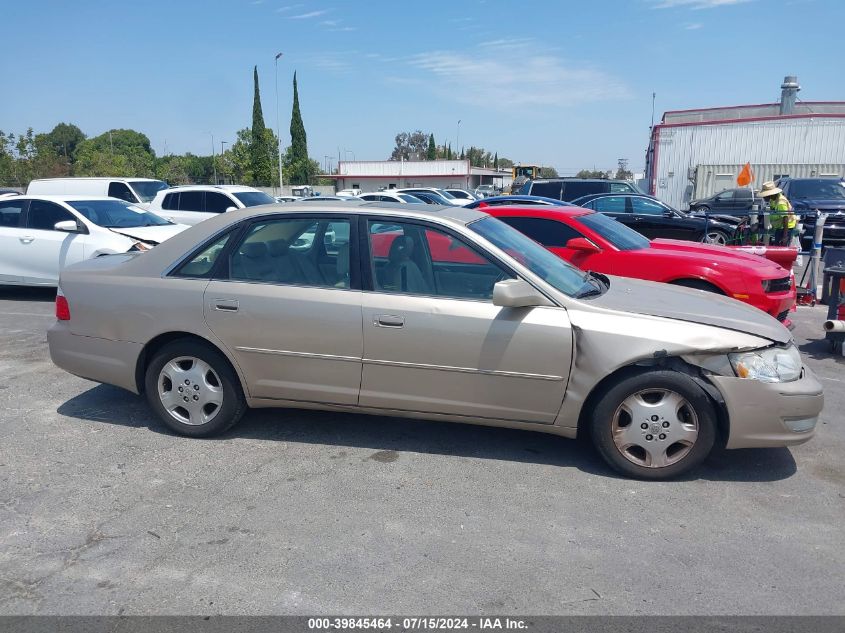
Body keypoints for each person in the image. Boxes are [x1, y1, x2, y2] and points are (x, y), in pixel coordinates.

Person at [759, 181, 795, 246]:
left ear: (770, 195)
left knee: (781, 249)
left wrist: (785, 236)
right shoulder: (774, 200)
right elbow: (773, 210)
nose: (764, 198)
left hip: (785, 228)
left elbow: (785, 218)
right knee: (777, 247)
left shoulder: (781, 203)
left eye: (765, 196)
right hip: (779, 227)